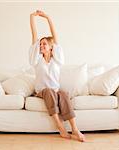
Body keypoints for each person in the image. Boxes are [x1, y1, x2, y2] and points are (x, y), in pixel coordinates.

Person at [29, 10, 86, 142]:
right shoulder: (37, 60)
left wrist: (48, 18)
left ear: (51, 47)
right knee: (49, 91)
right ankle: (60, 128)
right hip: (42, 92)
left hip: (55, 90)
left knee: (64, 94)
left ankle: (75, 129)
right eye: (40, 44)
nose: (41, 45)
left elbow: (55, 36)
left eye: (44, 44)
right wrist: (32, 17)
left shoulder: (57, 60)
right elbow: (34, 35)